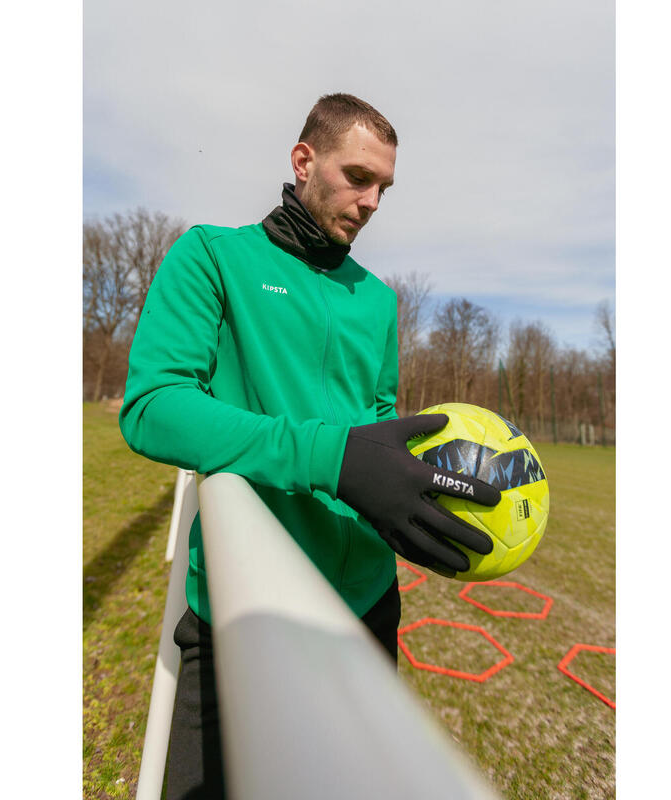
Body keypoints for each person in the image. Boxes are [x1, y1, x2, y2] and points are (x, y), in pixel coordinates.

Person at [119, 93, 501, 800]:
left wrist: (405, 500)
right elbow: (153, 408)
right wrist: (333, 458)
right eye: (359, 175)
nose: (373, 199)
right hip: (243, 606)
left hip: (367, 606)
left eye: (384, 186)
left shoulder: (379, 300)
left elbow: (378, 420)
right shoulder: (212, 257)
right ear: (304, 160)